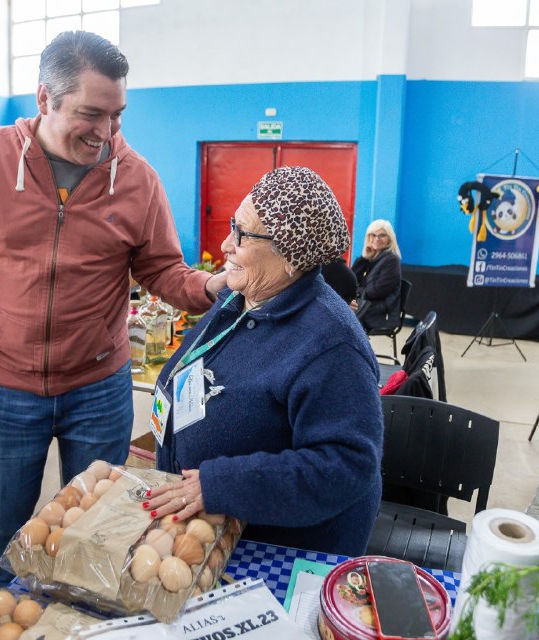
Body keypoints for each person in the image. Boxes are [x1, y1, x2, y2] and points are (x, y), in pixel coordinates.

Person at [0, 31, 226, 587]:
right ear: (44, 99)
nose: (107, 132)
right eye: (91, 114)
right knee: (6, 526)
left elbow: (162, 269)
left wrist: (213, 286)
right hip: (5, 389)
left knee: (98, 527)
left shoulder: (137, 179)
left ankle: (80, 618)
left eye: (117, 116)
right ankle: (4, 612)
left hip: (98, 390)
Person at [146, 167, 383, 557]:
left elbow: (345, 466)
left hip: (276, 553)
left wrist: (220, 485)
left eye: (241, 234)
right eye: (231, 226)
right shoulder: (240, 300)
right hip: (208, 530)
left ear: (290, 254)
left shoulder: (331, 344)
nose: (224, 244)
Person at [349, 219, 402, 332]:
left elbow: (374, 292)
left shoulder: (391, 260)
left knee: (339, 318)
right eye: (373, 235)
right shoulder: (375, 257)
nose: (376, 239)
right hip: (367, 307)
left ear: (389, 239)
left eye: (382, 235)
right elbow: (351, 281)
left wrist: (357, 290)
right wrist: (364, 258)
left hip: (379, 314)